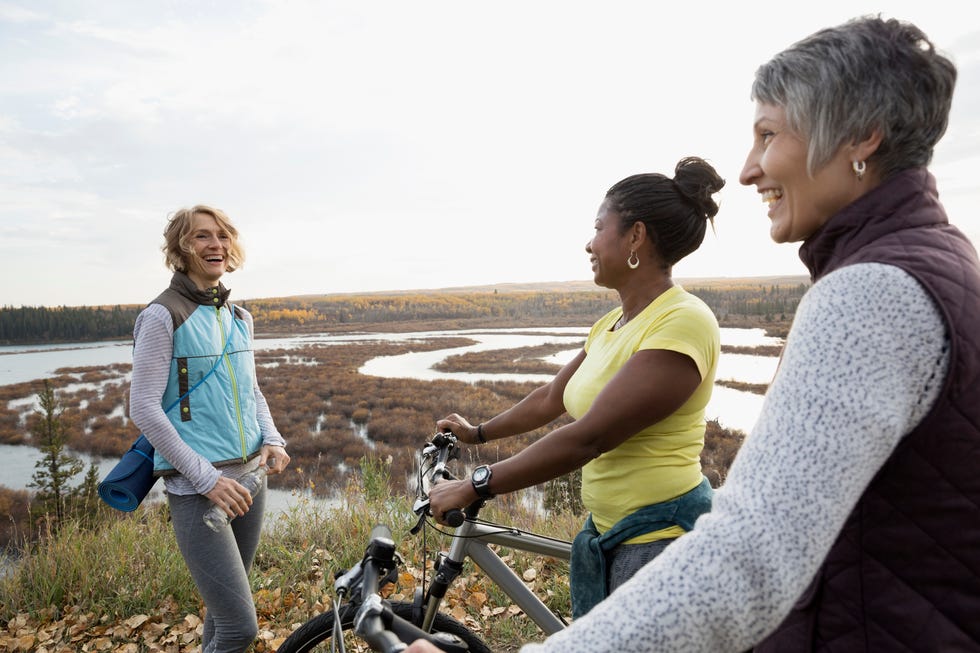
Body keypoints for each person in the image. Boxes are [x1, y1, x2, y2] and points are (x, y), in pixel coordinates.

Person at [407, 14, 979, 653]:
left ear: (861, 138)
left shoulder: (869, 293)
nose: (747, 169)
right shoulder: (930, 263)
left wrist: (481, 482)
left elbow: (744, 560)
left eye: (768, 135)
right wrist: (480, 434)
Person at [426, 156, 725, 618]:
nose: (589, 242)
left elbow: (591, 436)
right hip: (609, 532)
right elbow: (551, 399)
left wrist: (476, 485)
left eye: (598, 226)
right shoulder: (612, 323)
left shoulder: (683, 321)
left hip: (660, 542)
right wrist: (477, 433)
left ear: (635, 237)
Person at [129, 205, 290, 653]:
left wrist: (272, 439)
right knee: (241, 628)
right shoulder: (163, 316)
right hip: (201, 489)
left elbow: (252, 391)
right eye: (201, 237)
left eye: (221, 235)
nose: (215, 244)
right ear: (182, 249)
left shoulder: (239, 317)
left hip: (250, 481)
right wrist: (206, 479)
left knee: (223, 618)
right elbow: (143, 406)